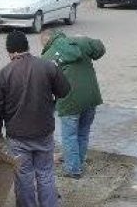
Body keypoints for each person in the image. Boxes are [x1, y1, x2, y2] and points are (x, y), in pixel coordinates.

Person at [0, 30, 70, 207]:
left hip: (18, 136)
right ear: (27, 47)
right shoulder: (47, 67)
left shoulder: (2, 75)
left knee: (23, 176)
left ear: (9, 52)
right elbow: (65, 90)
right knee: (45, 173)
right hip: (44, 132)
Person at [41, 29, 106, 178]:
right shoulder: (80, 42)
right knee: (83, 132)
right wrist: (86, 38)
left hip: (69, 101)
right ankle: (78, 163)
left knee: (69, 136)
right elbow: (100, 49)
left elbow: (45, 85)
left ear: (46, 42)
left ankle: (72, 169)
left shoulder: (47, 56)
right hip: (91, 97)